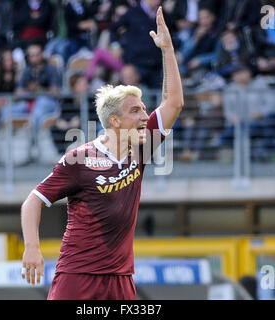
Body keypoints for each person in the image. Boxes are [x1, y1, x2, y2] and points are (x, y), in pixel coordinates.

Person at [21, 6, 183, 300]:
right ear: (114, 121)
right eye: (136, 110)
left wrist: (167, 49)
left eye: (145, 109)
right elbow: (33, 201)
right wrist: (32, 247)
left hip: (121, 280)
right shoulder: (79, 159)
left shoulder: (142, 148)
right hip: (77, 278)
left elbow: (173, 103)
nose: (145, 115)